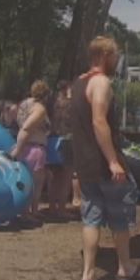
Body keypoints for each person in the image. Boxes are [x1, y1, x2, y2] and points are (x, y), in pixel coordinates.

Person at [70, 36, 140, 280]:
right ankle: (125, 269)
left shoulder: (78, 83)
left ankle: (87, 274)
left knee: (90, 219)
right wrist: (113, 161)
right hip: (104, 164)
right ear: (104, 56)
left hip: (85, 164)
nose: (117, 61)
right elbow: (98, 121)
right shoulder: (101, 82)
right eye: (115, 56)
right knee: (120, 217)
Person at [11, 80, 51, 222]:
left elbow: (16, 119)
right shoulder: (40, 108)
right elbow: (26, 128)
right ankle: (29, 213)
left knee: (25, 180)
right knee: (36, 183)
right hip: (34, 148)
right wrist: (18, 148)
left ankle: (28, 211)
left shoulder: (24, 104)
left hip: (24, 147)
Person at [47, 80, 78, 219]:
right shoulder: (70, 104)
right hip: (67, 139)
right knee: (66, 177)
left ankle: (52, 207)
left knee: (54, 177)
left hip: (52, 139)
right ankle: (61, 209)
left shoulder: (52, 103)